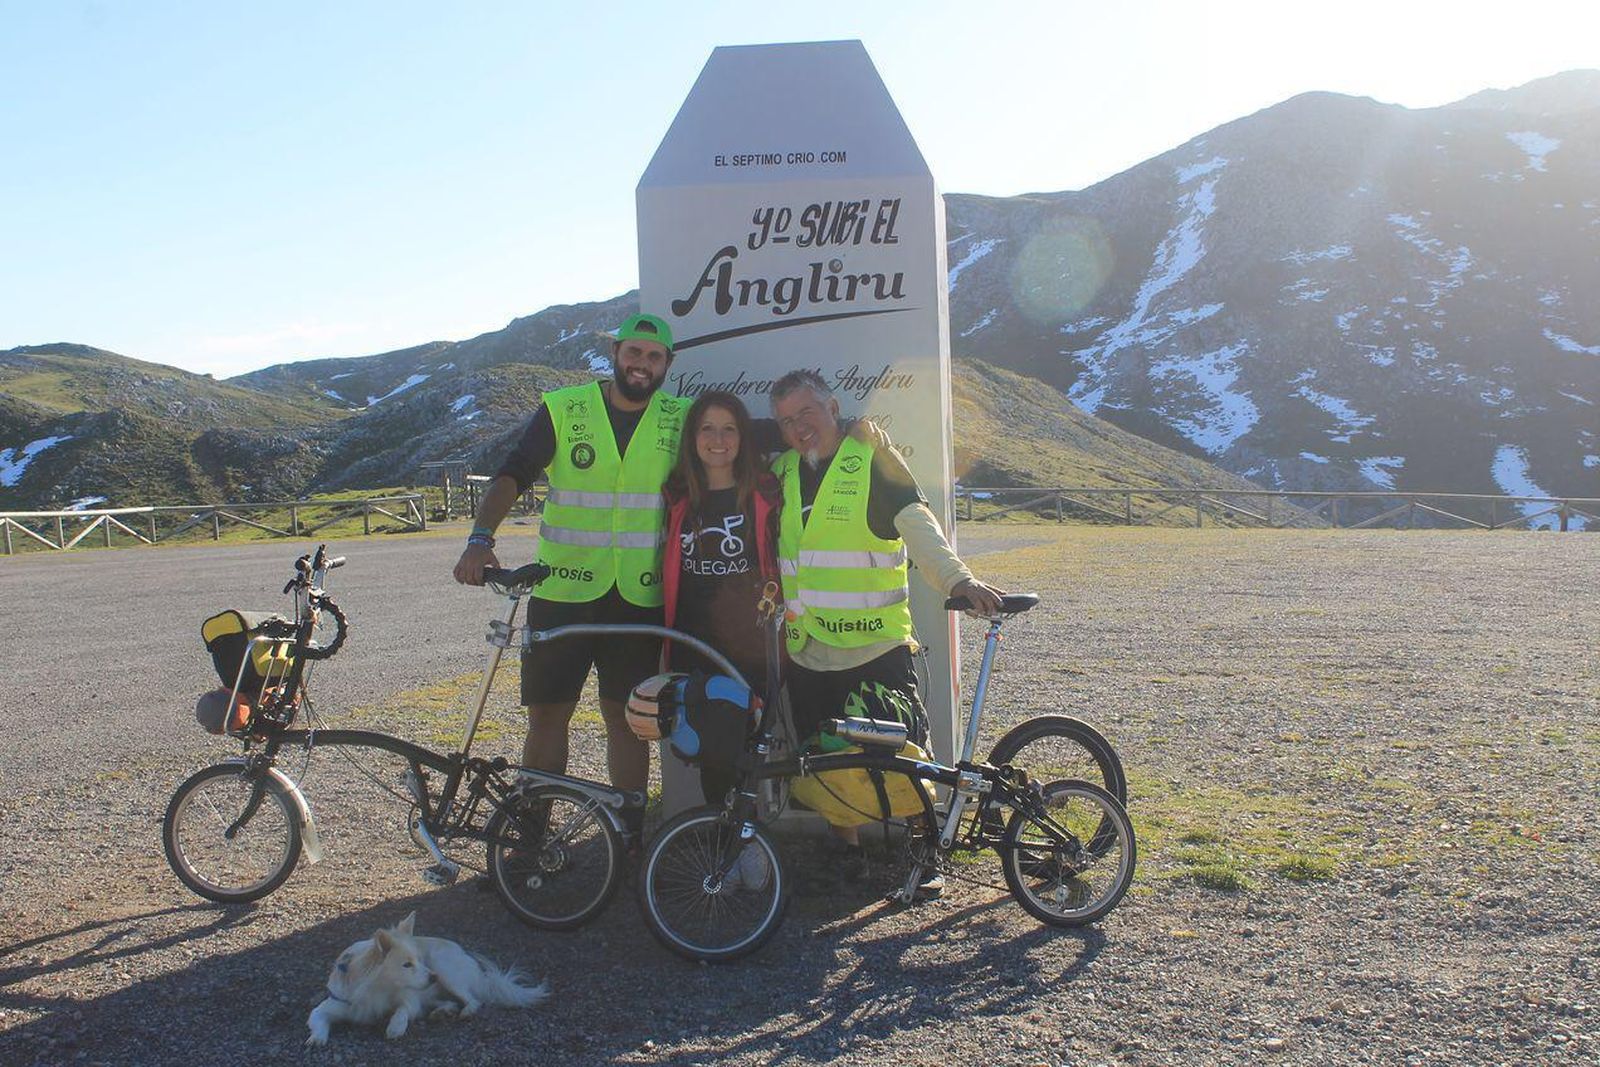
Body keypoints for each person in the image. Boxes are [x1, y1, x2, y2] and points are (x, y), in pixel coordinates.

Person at [769, 368, 1003, 898]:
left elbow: (917, 522)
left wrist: (957, 580)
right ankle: (845, 851)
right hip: (811, 651)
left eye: (808, 413)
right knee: (826, 758)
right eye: (786, 421)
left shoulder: (875, 458)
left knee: (905, 755)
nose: (799, 427)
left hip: (875, 645)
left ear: (833, 408)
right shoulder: (782, 470)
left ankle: (926, 849)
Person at [453, 313, 684, 829]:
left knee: (628, 723)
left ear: (667, 364)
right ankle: (532, 829)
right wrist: (479, 539)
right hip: (562, 592)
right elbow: (514, 472)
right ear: (616, 353)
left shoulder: (681, 416)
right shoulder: (565, 408)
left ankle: (626, 836)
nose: (642, 364)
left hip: (638, 601)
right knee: (548, 717)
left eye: (654, 356)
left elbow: (738, 438)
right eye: (634, 353)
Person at [660, 391, 782, 807]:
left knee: (746, 746)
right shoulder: (675, 494)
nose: (718, 439)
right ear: (692, 437)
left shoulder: (765, 491)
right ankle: (720, 841)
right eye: (707, 429)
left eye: (729, 429)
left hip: (750, 643)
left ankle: (747, 838)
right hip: (693, 641)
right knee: (711, 750)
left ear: (744, 437)